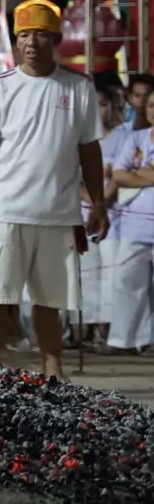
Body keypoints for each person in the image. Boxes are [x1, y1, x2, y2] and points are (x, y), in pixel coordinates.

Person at [0, 0, 108, 378]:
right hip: (7, 210)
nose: (31, 42)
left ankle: (53, 368)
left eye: (40, 34)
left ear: (57, 39)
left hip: (59, 212)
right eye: (24, 35)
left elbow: (89, 150)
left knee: (50, 299)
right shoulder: (0, 88)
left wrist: (98, 203)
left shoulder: (79, 87)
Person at [76, 84, 129, 349]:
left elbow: (120, 174)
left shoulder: (124, 136)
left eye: (104, 104)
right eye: (94, 104)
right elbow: (72, 177)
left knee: (111, 273)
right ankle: (84, 326)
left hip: (116, 216)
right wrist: (92, 201)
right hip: (83, 213)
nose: (99, 110)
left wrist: (101, 200)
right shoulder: (79, 137)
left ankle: (106, 328)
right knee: (87, 272)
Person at [109, 92, 154, 351]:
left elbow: (129, 174)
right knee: (128, 282)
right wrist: (147, 177)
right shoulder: (134, 139)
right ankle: (123, 340)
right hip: (135, 226)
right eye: (150, 105)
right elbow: (119, 175)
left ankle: (149, 341)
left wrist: (138, 174)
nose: (153, 110)